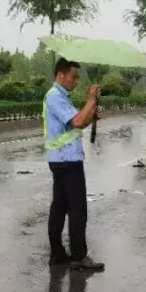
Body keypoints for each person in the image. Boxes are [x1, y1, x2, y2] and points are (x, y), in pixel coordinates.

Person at [44, 58, 105, 271]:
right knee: (77, 209)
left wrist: (91, 114)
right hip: (67, 161)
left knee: (59, 208)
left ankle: (57, 254)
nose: (76, 81)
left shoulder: (62, 97)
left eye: (78, 78)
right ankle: (79, 256)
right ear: (60, 75)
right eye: (74, 77)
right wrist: (90, 100)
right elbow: (77, 122)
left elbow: (76, 123)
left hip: (62, 160)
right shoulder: (55, 97)